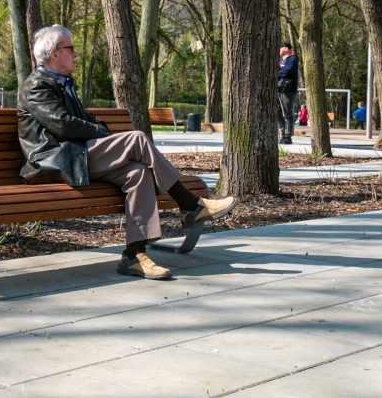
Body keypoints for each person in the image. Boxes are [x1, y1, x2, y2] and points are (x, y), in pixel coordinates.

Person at [17, 25, 238, 280]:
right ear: (54, 53)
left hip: (75, 155)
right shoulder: (36, 85)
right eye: (70, 48)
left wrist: (96, 128)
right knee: (137, 139)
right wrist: (101, 132)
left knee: (138, 172)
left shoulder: (62, 82)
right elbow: (64, 126)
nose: (75, 54)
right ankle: (190, 205)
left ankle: (134, 256)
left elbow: (83, 120)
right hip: (53, 161)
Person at [277, 42, 299, 144]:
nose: (278, 50)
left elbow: (287, 71)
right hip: (278, 88)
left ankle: (288, 136)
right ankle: (282, 132)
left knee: (287, 113)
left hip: (288, 90)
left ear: (286, 48)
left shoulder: (293, 59)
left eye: (280, 48)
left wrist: (275, 74)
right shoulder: (280, 60)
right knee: (277, 111)